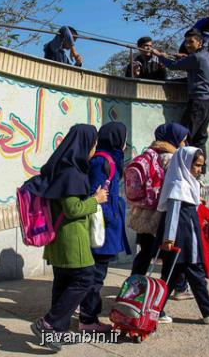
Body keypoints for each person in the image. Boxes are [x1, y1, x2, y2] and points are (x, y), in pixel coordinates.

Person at [27, 124, 109, 352]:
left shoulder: (60, 167)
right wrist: (96, 199)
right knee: (85, 278)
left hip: (59, 239)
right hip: (72, 238)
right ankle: (48, 323)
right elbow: (73, 209)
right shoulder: (72, 173)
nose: (94, 149)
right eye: (93, 144)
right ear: (85, 145)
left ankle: (58, 332)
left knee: (63, 283)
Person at [156, 147, 209, 325]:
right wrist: (169, 239)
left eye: (201, 166)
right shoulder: (178, 185)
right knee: (195, 275)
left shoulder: (186, 183)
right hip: (183, 240)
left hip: (183, 238)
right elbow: (172, 215)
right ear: (185, 163)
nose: (199, 169)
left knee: (170, 277)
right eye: (196, 165)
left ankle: (155, 311)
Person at [79, 122, 132, 332]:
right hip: (102, 225)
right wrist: (110, 216)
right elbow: (96, 193)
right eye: (124, 137)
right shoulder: (103, 160)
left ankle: (86, 314)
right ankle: (88, 319)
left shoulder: (108, 159)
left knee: (96, 272)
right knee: (96, 274)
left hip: (106, 223)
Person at [129, 122, 189, 276]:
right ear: (173, 138)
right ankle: (173, 288)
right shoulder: (172, 158)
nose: (184, 143)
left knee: (145, 252)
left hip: (143, 213)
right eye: (183, 139)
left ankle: (133, 287)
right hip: (162, 215)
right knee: (170, 254)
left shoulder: (149, 154)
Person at [151, 29, 209, 173]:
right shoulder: (206, 55)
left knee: (186, 137)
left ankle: (186, 170)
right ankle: (200, 171)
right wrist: (184, 57)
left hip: (197, 103)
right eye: (186, 42)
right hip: (208, 103)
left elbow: (173, 66)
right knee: (200, 138)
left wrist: (160, 56)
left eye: (191, 42)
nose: (188, 45)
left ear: (200, 42)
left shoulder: (196, 58)